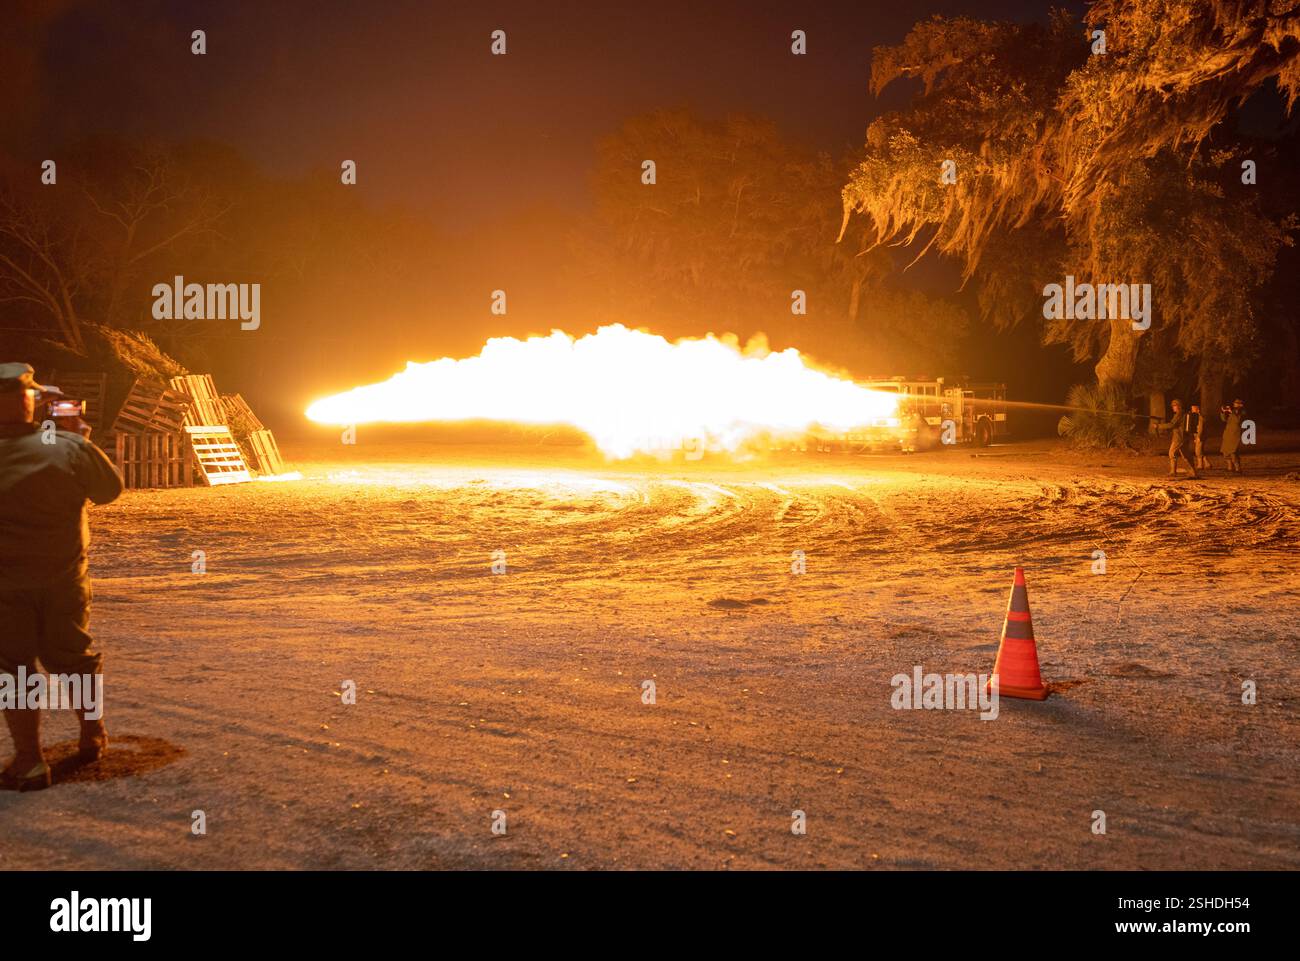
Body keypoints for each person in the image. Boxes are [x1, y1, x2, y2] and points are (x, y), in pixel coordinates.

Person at [0, 363, 123, 791]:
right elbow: (109, 490)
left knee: (12, 671)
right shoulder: (66, 445)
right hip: (63, 580)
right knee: (75, 660)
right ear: (29, 399)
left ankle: (30, 762)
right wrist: (76, 437)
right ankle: (93, 735)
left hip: (5, 590)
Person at [1157, 398, 1199, 479]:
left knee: (1171, 453)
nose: (1173, 407)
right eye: (1173, 406)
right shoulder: (1183, 413)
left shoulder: (1179, 414)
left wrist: (1159, 426)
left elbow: (1171, 425)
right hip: (1184, 437)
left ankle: (1173, 472)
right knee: (1186, 455)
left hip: (1179, 437)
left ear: (1178, 406)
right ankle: (1193, 471)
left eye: (1174, 406)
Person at [1220, 398, 1246, 473]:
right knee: (1225, 451)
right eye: (1235, 403)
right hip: (1228, 433)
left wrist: (1232, 413)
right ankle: (1230, 467)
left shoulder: (1242, 412)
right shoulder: (1233, 411)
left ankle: (1238, 468)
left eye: (1237, 403)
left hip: (1235, 434)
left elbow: (1237, 421)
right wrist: (1223, 412)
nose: (1235, 404)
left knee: (1233, 451)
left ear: (1241, 404)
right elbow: (1224, 420)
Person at [1188, 403, 1206, 470]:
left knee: (1198, 450)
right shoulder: (1195, 417)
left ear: (1198, 409)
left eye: (1193, 409)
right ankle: (1207, 464)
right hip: (1197, 435)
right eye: (1191, 408)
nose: (1192, 410)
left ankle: (1200, 465)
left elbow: (1200, 428)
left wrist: (1198, 437)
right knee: (1200, 450)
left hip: (1200, 435)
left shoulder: (1200, 417)